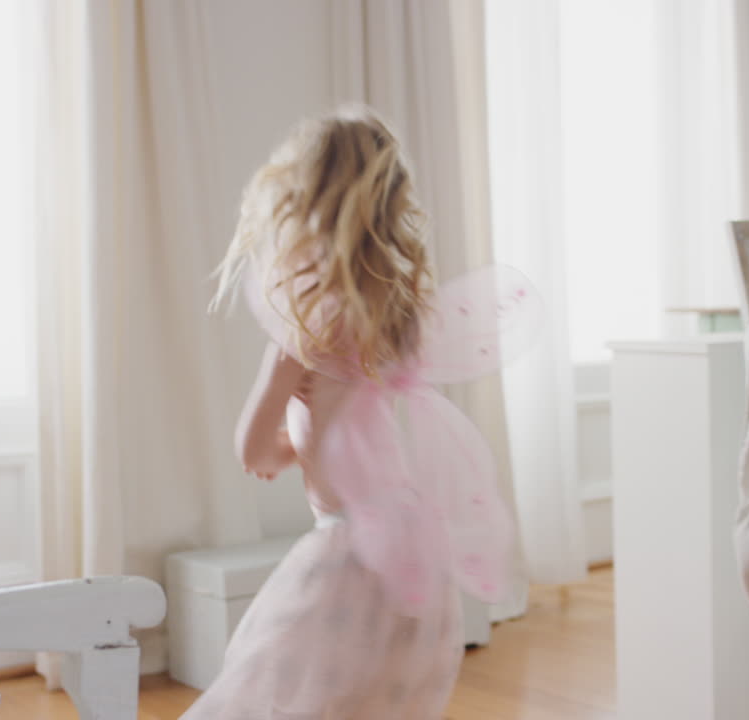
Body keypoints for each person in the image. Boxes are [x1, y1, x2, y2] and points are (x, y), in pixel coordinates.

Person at [185, 107, 525, 719]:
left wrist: (286, 450)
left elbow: (252, 449)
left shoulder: (303, 327)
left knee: (283, 692)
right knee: (376, 696)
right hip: (413, 535)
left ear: (301, 196)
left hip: (347, 544)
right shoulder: (398, 312)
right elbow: (355, 421)